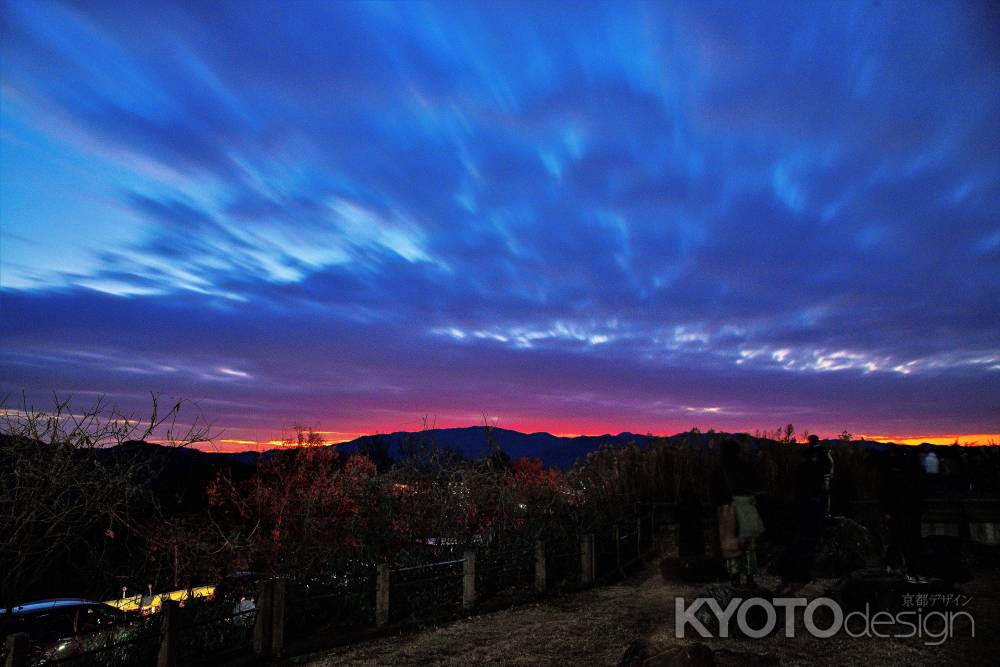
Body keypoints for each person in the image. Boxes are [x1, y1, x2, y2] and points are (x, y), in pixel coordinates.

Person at [710, 440, 764, 586]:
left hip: (728, 508)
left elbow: (714, 493)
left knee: (731, 544)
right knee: (749, 545)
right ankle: (750, 577)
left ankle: (735, 577)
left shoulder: (720, 470)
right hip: (747, 505)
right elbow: (758, 486)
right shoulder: (747, 467)